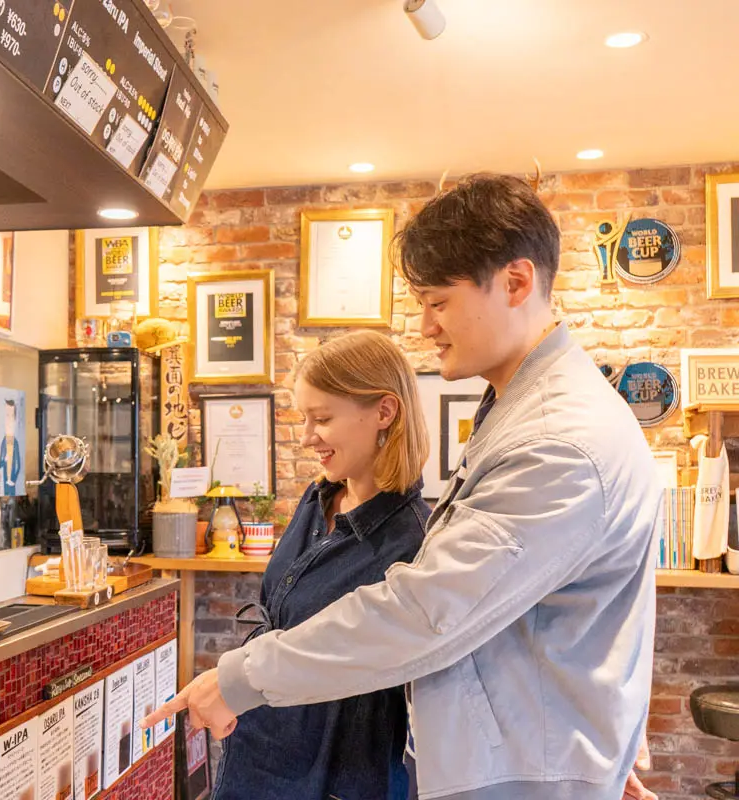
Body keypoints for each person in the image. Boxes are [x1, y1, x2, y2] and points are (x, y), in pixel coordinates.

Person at [145, 174, 662, 800]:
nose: (425, 326)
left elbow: (426, 612)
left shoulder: (557, 440)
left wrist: (241, 679)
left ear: (515, 283)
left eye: (438, 302)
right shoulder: (529, 413)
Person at [213, 330, 430, 800]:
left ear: (384, 412)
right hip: (259, 751)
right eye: (304, 419)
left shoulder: (413, 541)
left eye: (323, 419)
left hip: (333, 775)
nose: (307, 437)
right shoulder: (318, 499)